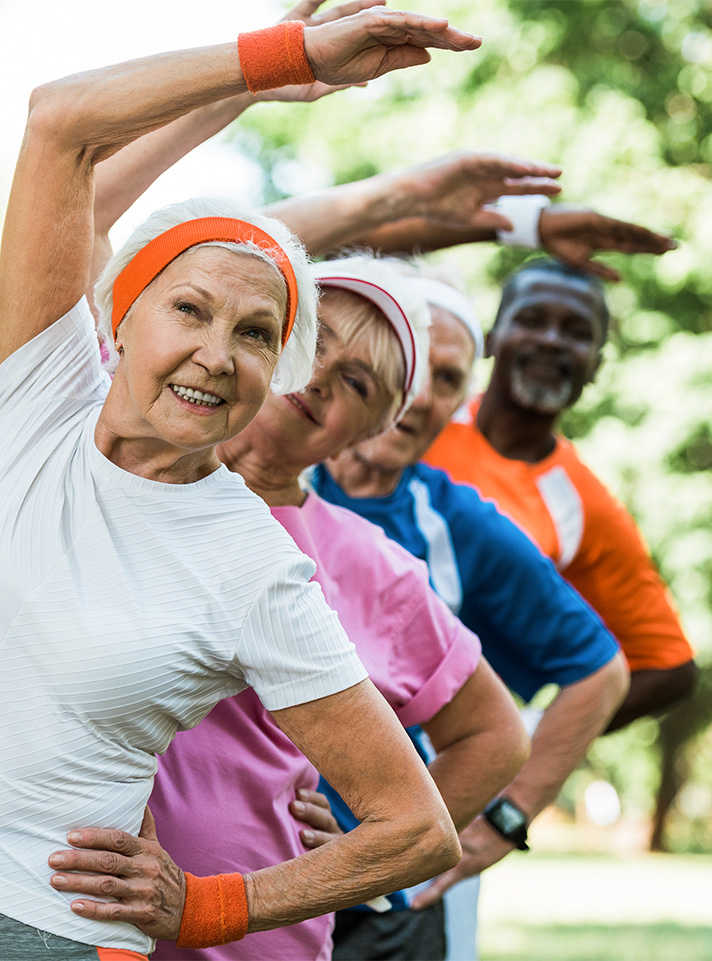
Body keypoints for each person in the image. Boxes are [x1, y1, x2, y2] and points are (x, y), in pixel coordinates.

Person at [0, 10, 483, 958]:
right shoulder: (40, 385)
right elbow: (61, 120)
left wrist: (208, 906)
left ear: (274, 376)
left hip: (43, 926)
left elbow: (415, 826)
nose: (217, 356)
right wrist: (283, 60)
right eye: (190, 309)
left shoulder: (256, 565)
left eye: (257, 334)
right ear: (120, 316)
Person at [47, 254, 530, 961]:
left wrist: (361, 848)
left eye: (357, 382)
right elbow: (96, 239)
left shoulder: (372, 567)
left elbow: (497, 734)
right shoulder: (125, 436)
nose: (321, 377)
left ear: (372, 430)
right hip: (65, 897)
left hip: (246, 935)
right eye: (316, 341)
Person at [308, 264, 628, 960]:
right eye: (409, 367)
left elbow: (599, 671)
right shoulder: (268, 469)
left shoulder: (457, 521)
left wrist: (497, 821)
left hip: (380, 900)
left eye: (447, 378)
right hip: (240, 866)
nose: (418, 396)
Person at [424, 258, 697, 731]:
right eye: (531, 320)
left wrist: (526, 738)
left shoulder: (582, 503)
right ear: (490, 337)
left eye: (575, 331)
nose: (551, 340)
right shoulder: (419, 417)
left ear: (597, 365)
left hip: (426, 751)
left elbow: (668, 666)